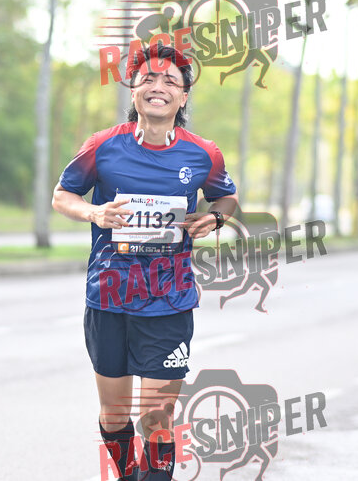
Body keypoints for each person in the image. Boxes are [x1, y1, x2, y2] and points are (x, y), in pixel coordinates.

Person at [52, 44, 238, 480]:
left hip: (169, 300)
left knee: (157, 417)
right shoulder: (102, 146)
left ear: (183, 96)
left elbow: (225, 197)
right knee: (114, 415)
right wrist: (94, 212)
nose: (159, 86)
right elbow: (63, 195)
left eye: (170, 80)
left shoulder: (203, 153)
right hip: (109, 297)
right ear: (133, 90)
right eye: (148, 78)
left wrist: (214, 218)